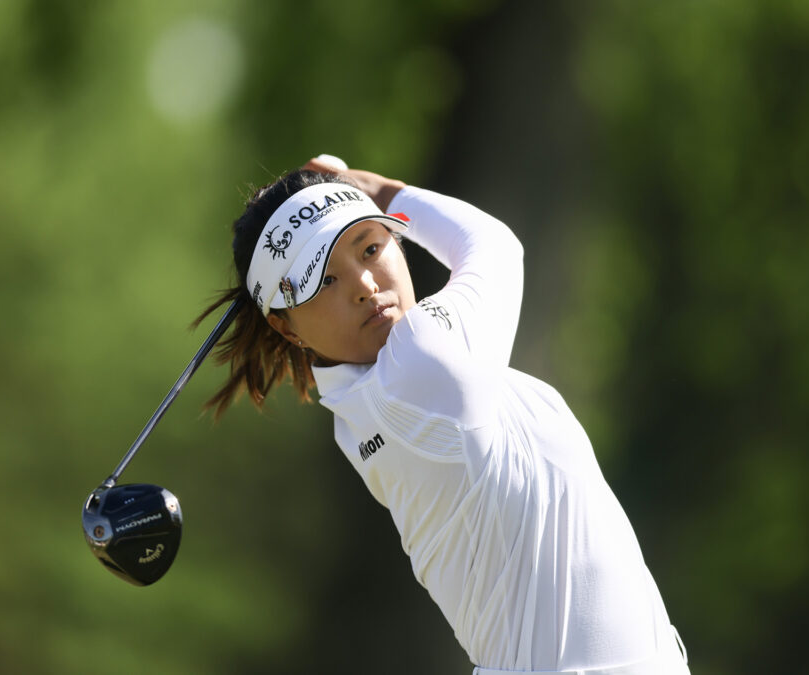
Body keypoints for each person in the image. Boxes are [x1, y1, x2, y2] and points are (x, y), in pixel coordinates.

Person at [196, 155, 690, 674]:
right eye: (324, 281)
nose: (364, 283)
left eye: (370, 247)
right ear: (286, 328)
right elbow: (496, 246)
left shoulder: (359, 409)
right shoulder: (419, 361)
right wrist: (382, 190)